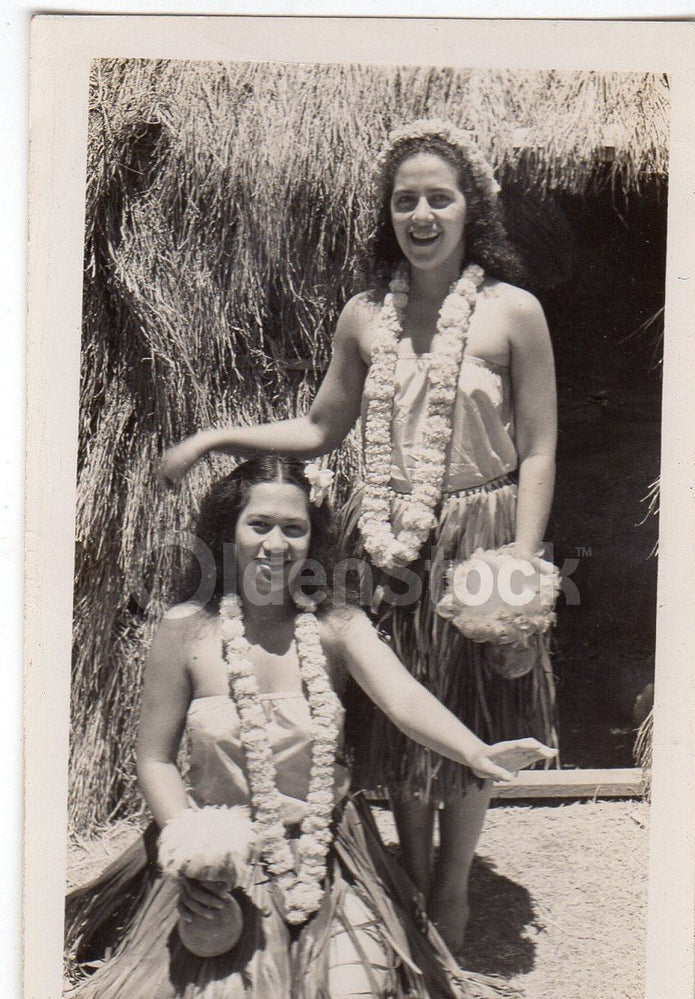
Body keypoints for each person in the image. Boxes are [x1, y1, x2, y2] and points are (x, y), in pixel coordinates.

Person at [159, 119, 558, 953]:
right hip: (384, 538)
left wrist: (520, 561)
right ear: (388, 211)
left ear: (470, 207)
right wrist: (216, 439)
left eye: (438, 198)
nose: (421, 214)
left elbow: (541, 446)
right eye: (405, 199)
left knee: (474, 703)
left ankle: (452, 892)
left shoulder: (512, 312)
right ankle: (413, 885)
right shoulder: (364, 317)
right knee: (396, 705)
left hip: (482, 533)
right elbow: (319, 429)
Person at [65, 455, 553, 999]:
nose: (275, 543)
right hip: (222, 851)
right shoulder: (186, 631)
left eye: (293, 528)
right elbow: (153, 759)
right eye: (259, 524)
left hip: (323, 850)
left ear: (313, 538)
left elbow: (404, 701)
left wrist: (474, 751)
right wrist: (194, 847)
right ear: (226, 532)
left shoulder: (338, 626)